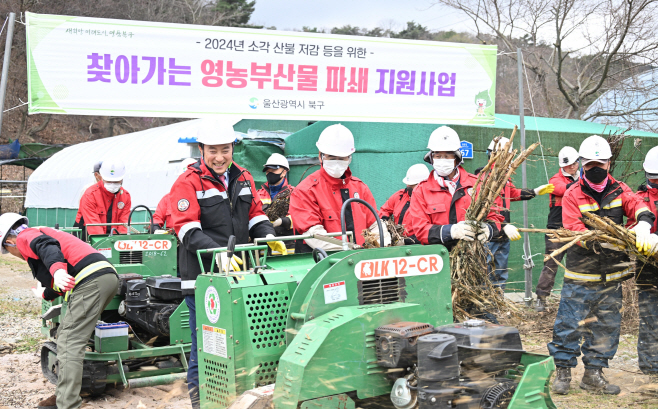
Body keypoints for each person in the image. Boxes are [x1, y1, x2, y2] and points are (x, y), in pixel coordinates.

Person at [169, 118, 287, 409]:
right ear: (201, 149)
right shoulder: (187, 182)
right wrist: (219, 253)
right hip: (203, 279)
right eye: (212, 150)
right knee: (207, 347)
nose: (219, 157)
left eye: (225, 149)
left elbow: (256, 216)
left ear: (233, 148)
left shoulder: (244, 177)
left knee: (243, 342)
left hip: (240, 274)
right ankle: (202, 404)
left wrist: (269, 236)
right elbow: (186, 230)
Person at [549, 135, 656, 395]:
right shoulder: (573, 194)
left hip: (613, 275)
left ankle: (593, 374)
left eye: (601, 163)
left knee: (606, 327)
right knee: (569, 324)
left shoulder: (620, 189)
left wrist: (643, 222)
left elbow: (638, 204)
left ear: (609, 163)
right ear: (582, 164)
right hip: (581, 275)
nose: (595, 169)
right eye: (589, 165)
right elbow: (574, 229)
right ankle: (563, 371)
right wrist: (604, 243)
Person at [0, 213, 119, 409]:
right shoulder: (39, 232)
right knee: (69, 336)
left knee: (69, 341)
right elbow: (61, 281)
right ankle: (64, 396)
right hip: (104, 277)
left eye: (6, 250)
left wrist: (57, 270)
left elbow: (47, 246)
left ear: (9, 241)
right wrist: (45, 293)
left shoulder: (25, 236)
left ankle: (68, 404)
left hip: (91, 280)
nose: (12, 253)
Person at [289, 124, 391, 252]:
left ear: (349, 158)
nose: (337, 162)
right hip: (322, 263)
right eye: (331, 157)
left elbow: (375, 225)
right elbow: (314, 235)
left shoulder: (360, 188)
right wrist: (350, 252)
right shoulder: (305, 191)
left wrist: (384, 245)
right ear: (321, 156)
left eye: (342, 158)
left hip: (359, 262)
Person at [407, 126, 503, 250]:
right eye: (438, 156)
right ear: (431, 158)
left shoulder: (476, 184)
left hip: (472, 255)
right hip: (438, 259)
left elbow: (495, 216)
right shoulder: (421, 191)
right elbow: (420, 230)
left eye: (447, 156)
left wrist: (489, 230)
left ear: (456, 158)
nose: (442, 160)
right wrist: (452, 231)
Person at [477, 137, 554, 288]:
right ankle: (483, 309)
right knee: (484, 275)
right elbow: (484, 208)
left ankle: (496, 307)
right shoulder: (484, 178)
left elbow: (512, 193)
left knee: (500, 275)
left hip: (502, 236)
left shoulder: (503, 177)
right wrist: (504, 225)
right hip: (488, 236)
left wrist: (534, 192)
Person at [535, 146, 580, 312]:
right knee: (551, 264)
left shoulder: (581, 178)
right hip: (556, 229)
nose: (573, 166)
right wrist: (582, 184)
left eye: (575, 163)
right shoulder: (555, 179)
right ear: (563, 166)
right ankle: (541, 298)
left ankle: (572, 298)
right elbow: (563, 189)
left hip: (576, 228)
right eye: (569, 165)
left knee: (576, 265)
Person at [629, 146, 658, 380]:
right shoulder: (639, 198)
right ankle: (650, 368)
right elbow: (630, 226)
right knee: (650, 316)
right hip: (648, 266)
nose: (654, 182)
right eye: (652, 177)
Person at [75, 159, 131, 241]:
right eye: (109, 181)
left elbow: (124, 224)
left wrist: (119, 241)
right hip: (87, 234)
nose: (112, 184)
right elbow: (93, 225)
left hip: (112, 235)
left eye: (116, 181)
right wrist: (106, 245)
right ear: (102, 177)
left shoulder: (125, 196)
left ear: (122, 179)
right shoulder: (90, 194)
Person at [379, 164, 430, 243]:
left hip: (418, 244)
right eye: (408, 184)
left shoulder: (430, 201)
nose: (408, 186)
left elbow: (427, 231)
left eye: (412, 185)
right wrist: (384, 224)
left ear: (422, 185)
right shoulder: (400, 195)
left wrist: (406, 241)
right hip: (397, 241)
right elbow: (385, 210)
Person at [257, 153, 295, 250]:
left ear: (284, 172)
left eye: (274, 170)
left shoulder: (294, 193)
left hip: (287, 246)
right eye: (267, 171)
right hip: (264, 248)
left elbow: (302, 217)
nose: (270, 173)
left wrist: (285, 221)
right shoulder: (257, 194)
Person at [152, 158, 197, 232]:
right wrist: (155, 228)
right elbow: (157, 218)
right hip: (175, 240)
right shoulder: (168, 199)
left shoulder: (204, 198)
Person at [72, 161, 103, 238]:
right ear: (96, 175)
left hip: (99, 223)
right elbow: (83, 208)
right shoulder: (88, 189)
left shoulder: (110, 188)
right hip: (85, 222)